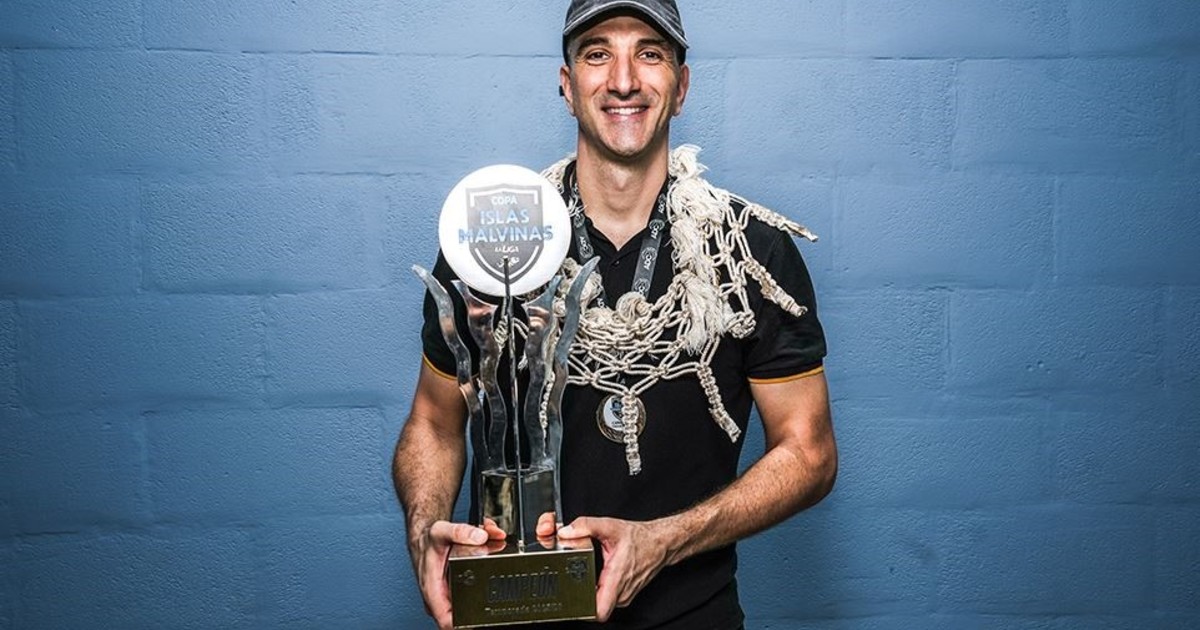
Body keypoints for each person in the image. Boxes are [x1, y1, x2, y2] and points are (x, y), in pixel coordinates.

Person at [393, 1, 837, 628]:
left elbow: (809, 452)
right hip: (509, 613)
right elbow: (434, 424)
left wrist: (664, 541)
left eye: (649, 54)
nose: (623, 80)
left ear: (681, 87)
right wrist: (423, 535)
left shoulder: (747, 252)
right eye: (597, 53)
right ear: (567, 84)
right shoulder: (490, 240)